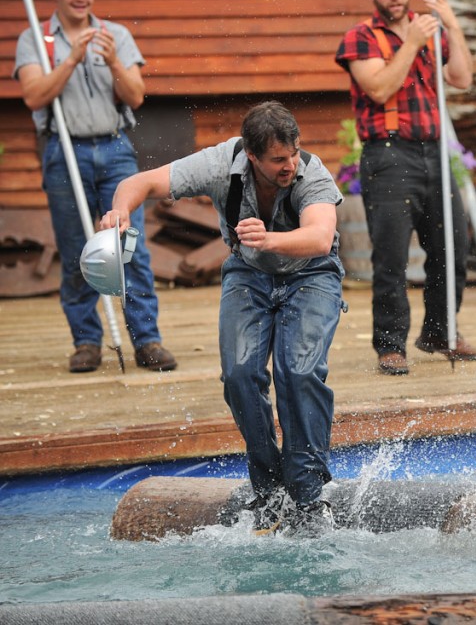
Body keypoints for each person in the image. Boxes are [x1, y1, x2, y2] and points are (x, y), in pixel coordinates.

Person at [99, 101, 345, 537]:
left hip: (311, 275)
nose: (290, 165)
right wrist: (120, 213)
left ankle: (308, 494)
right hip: (248, 274)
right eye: (278, 159)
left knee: (299, 371)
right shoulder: (217, 164)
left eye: (293, 153)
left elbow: (321, 238)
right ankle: (269, 488)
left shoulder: (312, 174)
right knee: (239, 374)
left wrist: (269, 239)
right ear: (251, 155)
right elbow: (139, 183)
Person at [13, 0, 176, 374]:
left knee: (129, 244)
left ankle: (147, 339)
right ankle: (86, 342)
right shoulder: (36, 39)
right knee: (76, 249)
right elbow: (33, 96)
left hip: (115, 148)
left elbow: (136, 96)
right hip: (64, 152)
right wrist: (70, 59)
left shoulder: (115, 35)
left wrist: (114, 61)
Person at [335, 0, 476, 376]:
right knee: (392, 255)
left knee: (452, 247)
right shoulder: (360, 37)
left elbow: (462, 78)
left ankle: (440, 331)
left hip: (434, 152)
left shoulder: (430, 28)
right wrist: (414, 42)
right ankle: (390, 344)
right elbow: (380, 88)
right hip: (388, 155)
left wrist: (451, 24)